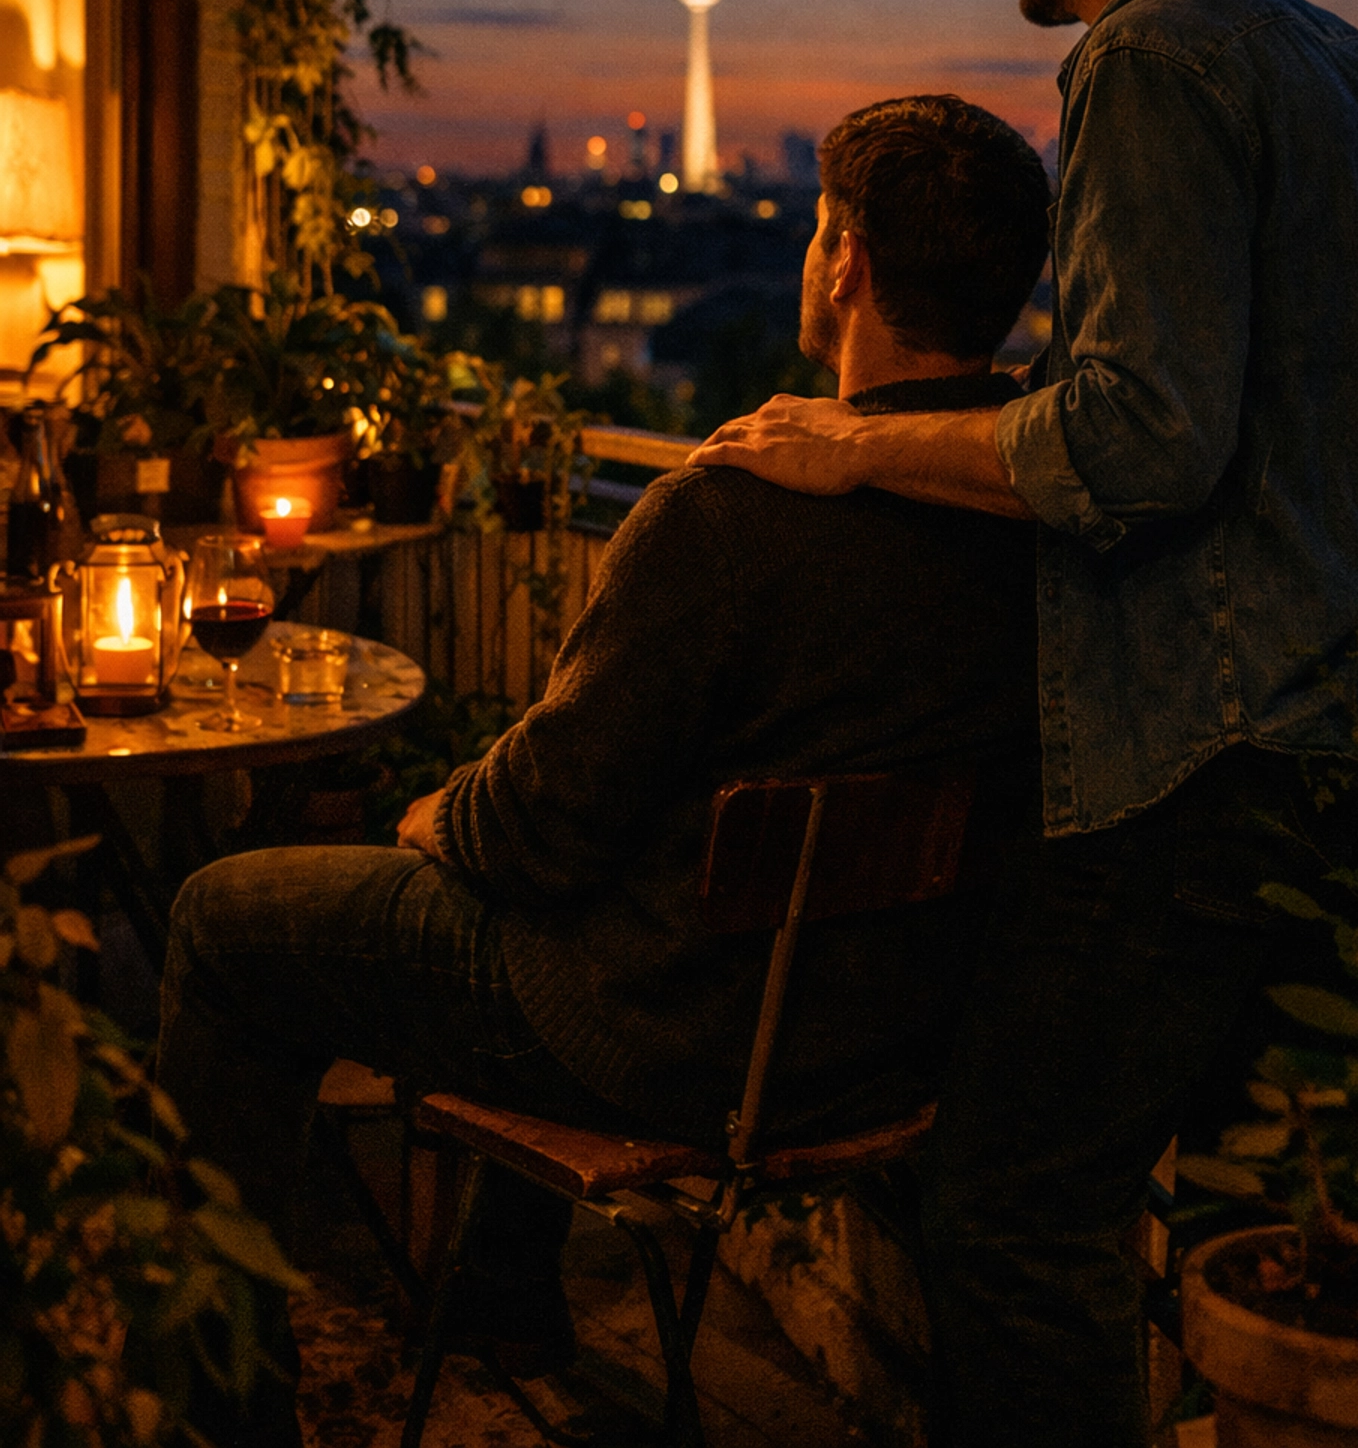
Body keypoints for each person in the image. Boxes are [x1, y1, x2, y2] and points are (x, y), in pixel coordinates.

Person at [691, 0, 1358, 1446]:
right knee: (1257, 1216)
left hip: (1205, 758)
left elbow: (1140, 437)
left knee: (1017, 1214)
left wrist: (860, 444)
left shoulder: (1148, 57)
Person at [157, 92, 1049, 1424]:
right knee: (560, 881)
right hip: (882, 1043)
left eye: (818, 234)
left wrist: (438, 816)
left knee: (224, 922)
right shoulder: (1034, 522)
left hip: (658, 1033)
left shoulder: (731, 511)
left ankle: (207, 1402)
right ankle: (499, 1306)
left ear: (847, 263)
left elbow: (538, 830)